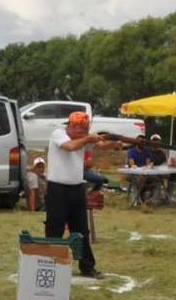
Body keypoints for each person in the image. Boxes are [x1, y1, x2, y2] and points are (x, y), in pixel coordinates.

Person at [45, 111, 121, 279]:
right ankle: (50, 264)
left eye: (86, 129)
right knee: (54, 228)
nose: (84, 132)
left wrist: (115, 143)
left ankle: (87, 266)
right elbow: (70, 147)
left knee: (81, 231)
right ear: (72, 126)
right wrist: (88, 138)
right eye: (82, 129)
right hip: (57, 189)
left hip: (77, 189)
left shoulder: (82, 139)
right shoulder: (58, 134)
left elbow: (101, 145)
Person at [125, 134, 157, 202]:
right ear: (136, 142)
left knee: (156, 179)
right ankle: (142, 198)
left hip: (144, 173)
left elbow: (147, 164)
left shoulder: (146, 152)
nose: (142, 144)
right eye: (140, 141)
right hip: (132, 173)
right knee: (139, 180)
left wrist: (145, 173)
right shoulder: (131, 152)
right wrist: (141, 175)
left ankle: (142, 193)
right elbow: (132, 166)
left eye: (143, 142)